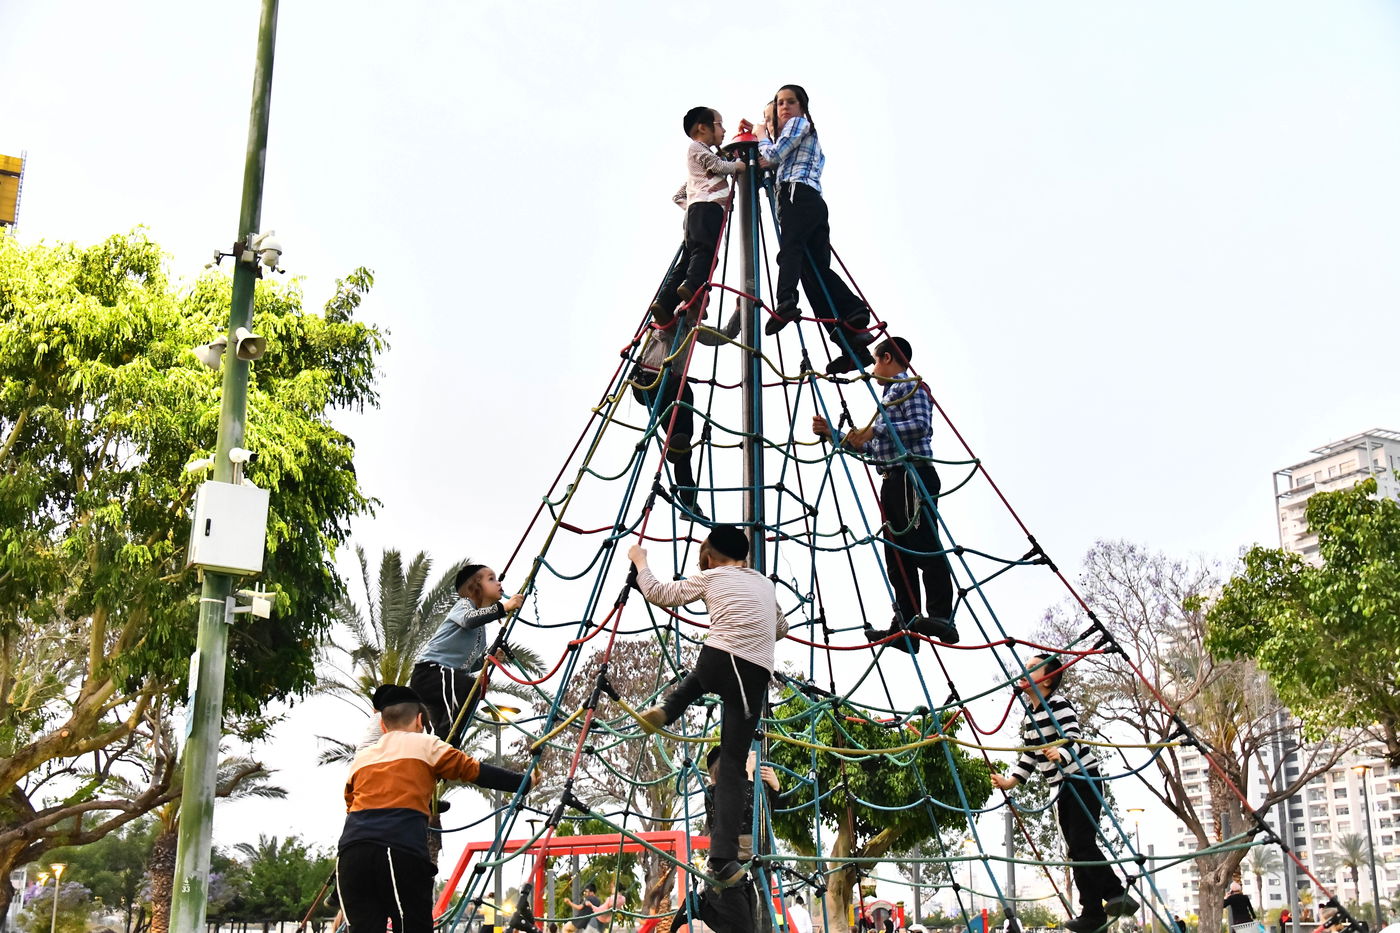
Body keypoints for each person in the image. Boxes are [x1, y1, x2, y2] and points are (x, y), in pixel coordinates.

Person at [629, 524, 788, 887]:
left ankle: (668, 709)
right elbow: (781, 626)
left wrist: (640, 560)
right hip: (755, 673)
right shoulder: (765, 584)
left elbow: (658, 593)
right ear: (745, 557)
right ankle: (723, 858)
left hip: (718, 657)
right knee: (733, 767)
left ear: (711, 558)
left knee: (699, 680)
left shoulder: (712, 577)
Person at [336, 685, 536, 933]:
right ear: (420, 719)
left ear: (384, 726)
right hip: (396, 847)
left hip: (351, 854)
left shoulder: (362, 759)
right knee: (413, 925)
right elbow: (474, 771)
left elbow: (350, 804)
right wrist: (524, 782)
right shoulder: (426, 745)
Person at [812, 337, 957, 651]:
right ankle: (905, 626)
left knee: (923, 543)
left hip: (913, 474)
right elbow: (872, 449)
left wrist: (875, 430)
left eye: (875, 361)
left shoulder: (910, 386)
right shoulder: (885, 403)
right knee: (896, 555)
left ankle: (942, 615)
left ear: (888, 358)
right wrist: (832, 434)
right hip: (892, 478)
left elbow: (921, 425)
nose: (872, 369)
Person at [988, 655, 1135, 933]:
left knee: (1082, 842)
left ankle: (1116, 893)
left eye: (1032, 668)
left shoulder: (1057, 704)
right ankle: (1092, 912)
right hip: (1061, 786)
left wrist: (1062, 753)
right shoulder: (1031, 717)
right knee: (1074, 850)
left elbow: (1073, 736)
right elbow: (1030, 756)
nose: (1024, 671)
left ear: (1047, 680)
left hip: (1083, 778)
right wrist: (1011, 782)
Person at [749, 84, 875, 375]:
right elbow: (770, 167)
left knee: (791, 252)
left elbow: (773, 156)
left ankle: (785, 301)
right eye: (779, 105)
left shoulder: (798, 124)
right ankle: (851, 335)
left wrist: (758, 137)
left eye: (789, 102)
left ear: (802, 107)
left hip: (798, 196)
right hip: (811, 201)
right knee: (815, 273)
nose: (783, 109)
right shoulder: (797, 135)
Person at [631, 293, 741, 518]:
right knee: (684, 391)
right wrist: (682, 311)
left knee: (682, 445)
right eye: (700, 304)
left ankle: (689, 502)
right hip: (647, 382)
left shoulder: (693, 327)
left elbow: (725, 335)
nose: (700, 312)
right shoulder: (668, 316)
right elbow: (663, 329)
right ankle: (677, 443)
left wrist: (739, 311)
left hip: (668, 389)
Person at [411, 563, 524, 742]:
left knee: (442, 725)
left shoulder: (481, 629)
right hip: (430, 673)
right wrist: (504, 607)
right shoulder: (464, 605)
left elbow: (465, 664)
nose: (498, 583)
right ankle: (449, 747)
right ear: (473, 587)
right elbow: (467, 620)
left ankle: (443, 750)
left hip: (444, 678)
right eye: (491, 579)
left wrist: (484, 660)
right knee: (470, 690)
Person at [654, 107, 746, 321]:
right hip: (708, 209)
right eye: (719, 124)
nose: (723, 130)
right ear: (703, 128)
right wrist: (738, 166)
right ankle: (693, 288)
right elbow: (718, 164)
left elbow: (679, 195)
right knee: (706, 253)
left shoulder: (698, 167)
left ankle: (664, 303)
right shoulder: (697, 148)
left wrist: (693, 204)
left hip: (696, 212)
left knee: (688, 258)